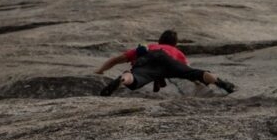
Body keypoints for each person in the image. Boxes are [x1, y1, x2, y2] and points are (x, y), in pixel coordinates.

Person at [95, 29, 236, 96]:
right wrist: (197, 83)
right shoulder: (177, 52)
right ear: (175, 44)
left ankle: (122, 79)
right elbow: (188, 71)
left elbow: (116, 60)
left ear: (159, 40)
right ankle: (219, 82)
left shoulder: (149, 47)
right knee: (196, 73)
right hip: (169, 62)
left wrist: (100, 70)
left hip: (148, 57)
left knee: (134, 76)